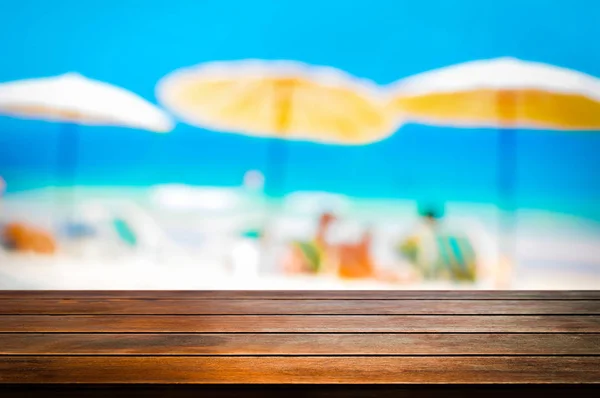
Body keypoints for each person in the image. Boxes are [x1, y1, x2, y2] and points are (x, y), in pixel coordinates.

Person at [398, 205, 478, 283]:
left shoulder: (434, 233)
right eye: (429, 218)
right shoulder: (424, 232)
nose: (430, 220)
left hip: (431, 268)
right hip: (428, 267)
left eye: (430, 218)